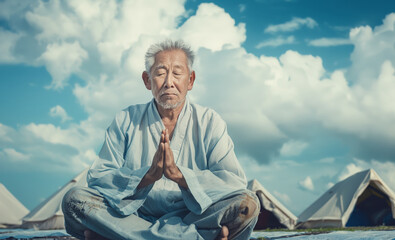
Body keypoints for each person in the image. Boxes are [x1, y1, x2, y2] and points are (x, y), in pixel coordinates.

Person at [62, 40, 260, 240]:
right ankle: (195, 237)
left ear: (190, 80)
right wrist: (147, 176)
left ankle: (124, 237)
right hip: (133, 215)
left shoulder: (210, 121)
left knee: (247, 203)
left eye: (177, 73)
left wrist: (179, 175)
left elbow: (233, 181)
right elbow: (98, 177)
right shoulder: (126, 119)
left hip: (192, 216)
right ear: (147, 80)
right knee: (74, 200)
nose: (169, 82)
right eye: (160, 73)